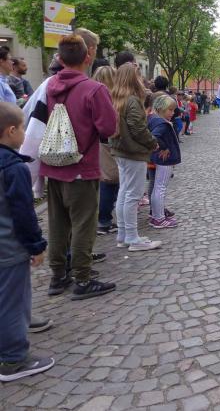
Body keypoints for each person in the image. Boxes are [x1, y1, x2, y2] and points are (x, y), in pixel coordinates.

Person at [40, 35, 118, 299]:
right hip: (81, 167)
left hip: (53, 166)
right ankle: (82, 279)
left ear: (60, 59)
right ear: (88, 57)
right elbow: (108, 128)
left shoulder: (49, 86)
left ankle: (58, 276)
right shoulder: (94, 89)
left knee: (57, 224)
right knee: (83, 224)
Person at [0, 102, 54, 382]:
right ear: (11, 131)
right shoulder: (14, 168)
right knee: (13, 301)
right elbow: (23, 213)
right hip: (9, 248)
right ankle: (13, 360)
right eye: (22, 127)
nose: (25, 133)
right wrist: (36, 245)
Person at [110, 65, 162, 252]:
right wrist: (152, 142)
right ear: (133, 78)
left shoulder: (117, 99)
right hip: (133, 153)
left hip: (121, 152)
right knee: (133, 195)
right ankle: (132, 238)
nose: (142, 79)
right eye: (139, 76)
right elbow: (138, 128)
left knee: (124, 193)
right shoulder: (132, 100)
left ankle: (124, 235)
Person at [92, 66, 119, 236]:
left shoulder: (90, 94)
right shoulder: (107, 98)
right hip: (106, 144)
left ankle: (103, 218)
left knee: (105, 182)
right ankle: (103, 220)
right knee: (109, 181)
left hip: (94, 144)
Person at [148, 94, 181, 229]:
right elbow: (153, 137)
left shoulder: (153, 119)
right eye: (170, 110)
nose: (172, 113)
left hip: (158, 159)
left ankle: (156, 215)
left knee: (157, 188)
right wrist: (164, 147)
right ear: (161, 109)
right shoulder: (161, 123)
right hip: (164, 160)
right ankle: (159, 218)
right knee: (160, 188)